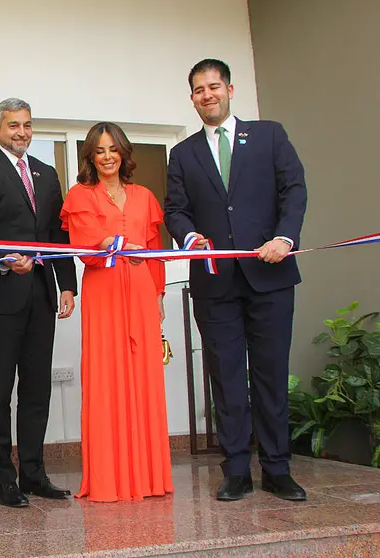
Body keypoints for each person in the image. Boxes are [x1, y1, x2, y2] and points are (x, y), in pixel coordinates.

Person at [164, 59, 308, 501]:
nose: (207, 95)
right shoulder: (183, 153)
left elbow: (294, 189)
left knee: (270, 373)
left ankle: (278, 469)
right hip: (215, 284)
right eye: (198, 90)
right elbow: (175, 208)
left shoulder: (269, 135)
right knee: (225, 377)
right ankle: (237, 470)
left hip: (270, 275)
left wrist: (285, 236)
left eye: (214, 86)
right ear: (191, 98)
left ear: (230, 89)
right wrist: (190, 237)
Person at [0, 98, 78, 508]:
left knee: (36, 389)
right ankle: (3, 480)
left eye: (27, 125)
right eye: (13, 125)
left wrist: (66, 284)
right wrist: (9, 259)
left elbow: (56, 235)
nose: (22, 133)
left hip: (41, 295)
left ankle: (33, 474)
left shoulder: (47, 175)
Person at [60, 122, 173, 502]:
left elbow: (155, 251)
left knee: (144, 376)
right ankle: (110, 478)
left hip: (141, 293)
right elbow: (87, 249)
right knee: (107, 376)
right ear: (90, 157)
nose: (107, 157)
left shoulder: (144, 196)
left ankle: (149, 477)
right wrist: (106, 242)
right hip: (104, 292)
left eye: (113, 149)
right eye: (99, 151)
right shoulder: (80, 195)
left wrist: (157, 295)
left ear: (123, 153)